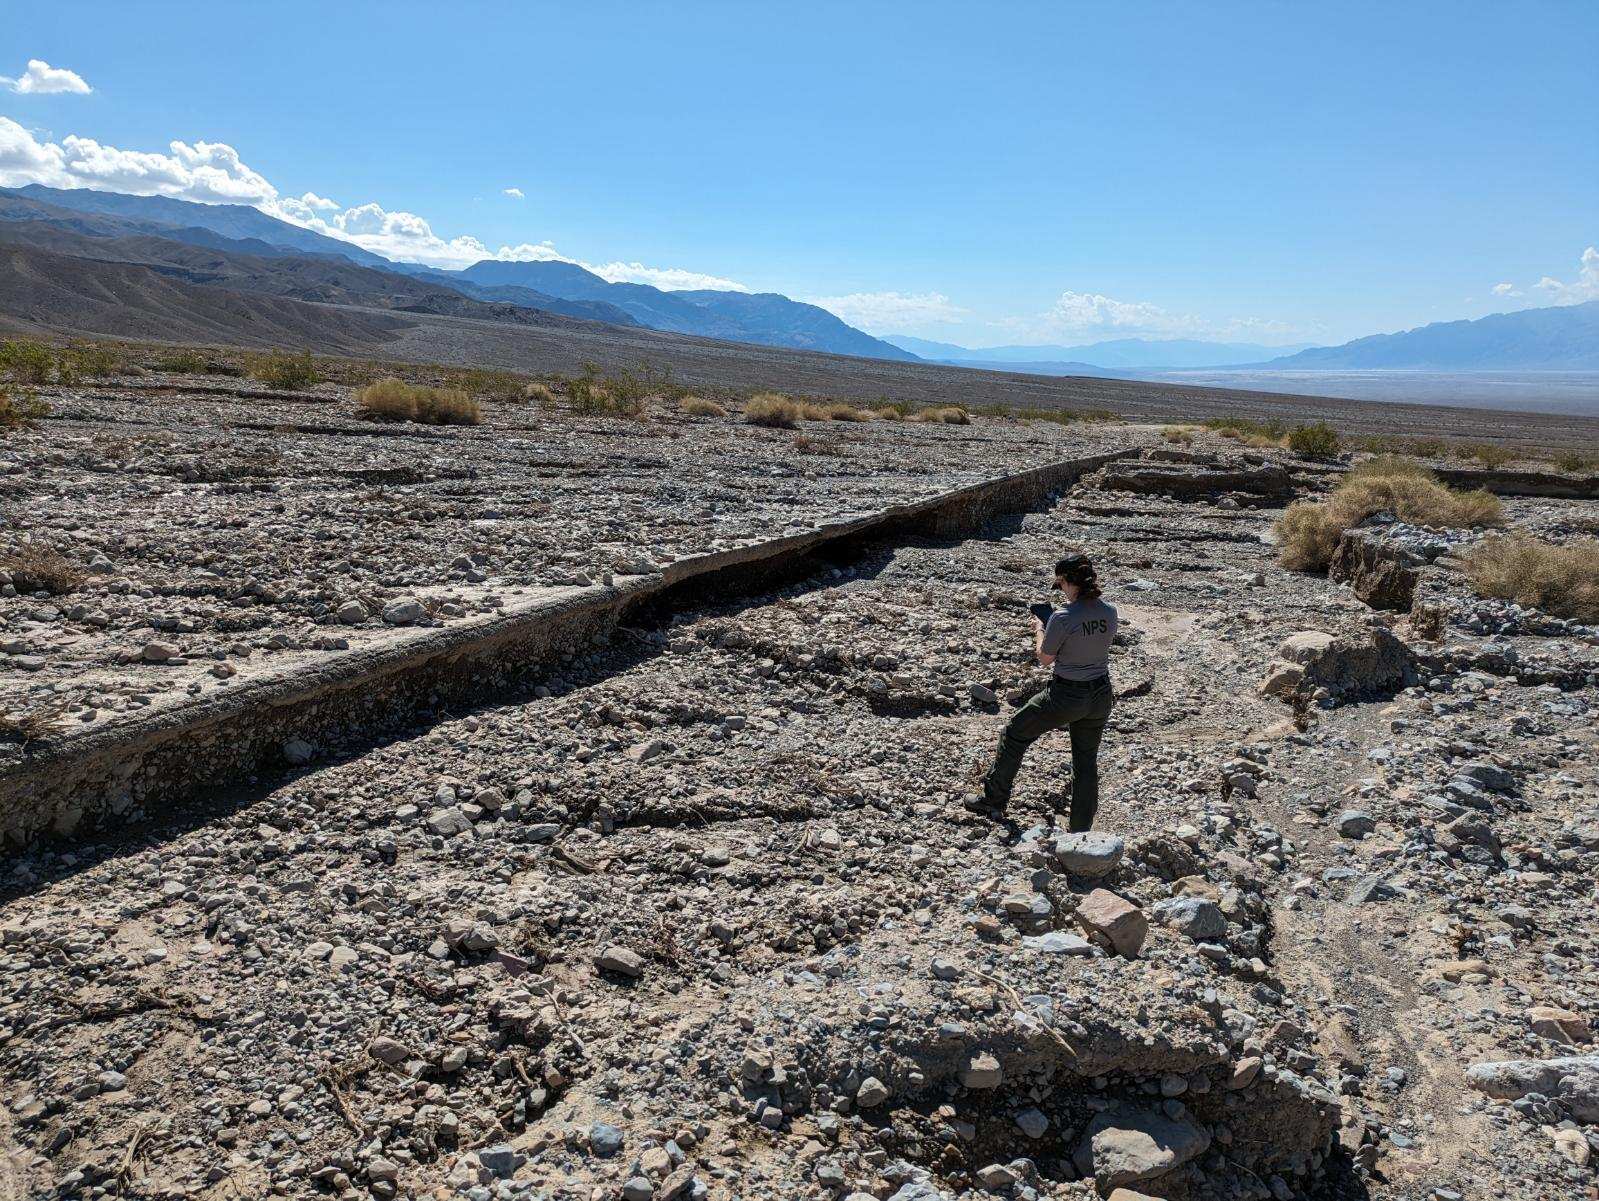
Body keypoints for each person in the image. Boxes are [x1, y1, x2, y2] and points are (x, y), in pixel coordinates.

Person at [968, 553, 1117, 830]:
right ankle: (1081, 829)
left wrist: (1040, 628)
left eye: (1060, 584)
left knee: (1014, 733)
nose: (1060, 589)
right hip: (1100, 693)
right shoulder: (1109, 611)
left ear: (1070, 582)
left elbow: (1045, 658)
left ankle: (993, 798)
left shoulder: (1061, 617)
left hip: (1067, 694)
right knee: (1085, 761)